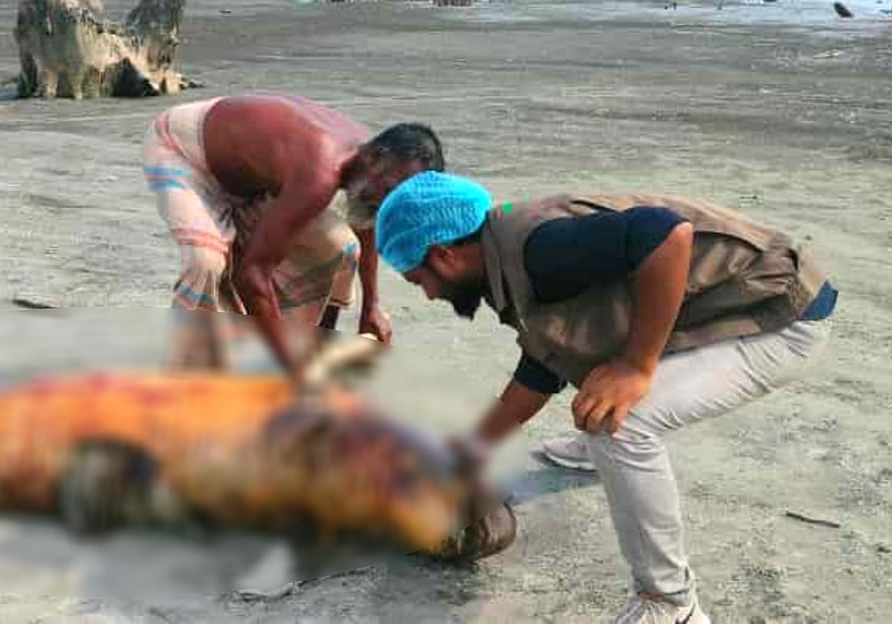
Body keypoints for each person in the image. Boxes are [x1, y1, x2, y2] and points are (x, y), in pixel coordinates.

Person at [373, 171, 838, 624]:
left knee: (621, 423)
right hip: (733, 304)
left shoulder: (540, 250)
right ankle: (600, 453)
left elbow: (664, 234)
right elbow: (544, 361)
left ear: (444, 255)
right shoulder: (505, 248)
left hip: (782, 316)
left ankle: (670, 602)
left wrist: (638, 365)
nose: (429, 295)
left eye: (419, 280)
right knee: (593, 361)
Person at [142, 93, 444, 385]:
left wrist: (372, 306)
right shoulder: (321, 172)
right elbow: (253, 275)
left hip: (251, 181)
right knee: (205, 260)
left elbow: (366, 223)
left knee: (341, 249)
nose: (387, 203)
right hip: (185, 153)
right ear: (377, 158)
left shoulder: (373, 165)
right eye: (389, 193)